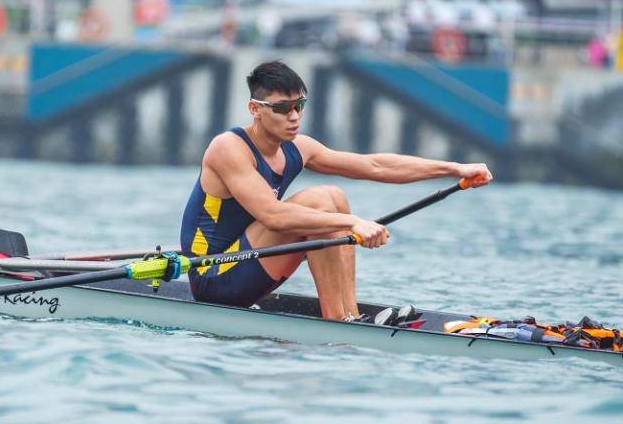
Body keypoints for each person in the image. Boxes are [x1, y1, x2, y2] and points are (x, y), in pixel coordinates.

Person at [179, 61, 493, 321]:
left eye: (299, 105)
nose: (294, 116)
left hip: (251, 264)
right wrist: (351, 223)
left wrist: (455, 169)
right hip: (213, 276)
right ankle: (338, 321)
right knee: (320, 203)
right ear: (255, 109)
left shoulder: (297, 148)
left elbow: (375, 166)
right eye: (283, 108)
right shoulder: (228, 148)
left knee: (333, 196)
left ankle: (349, 315)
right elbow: (273, 216)